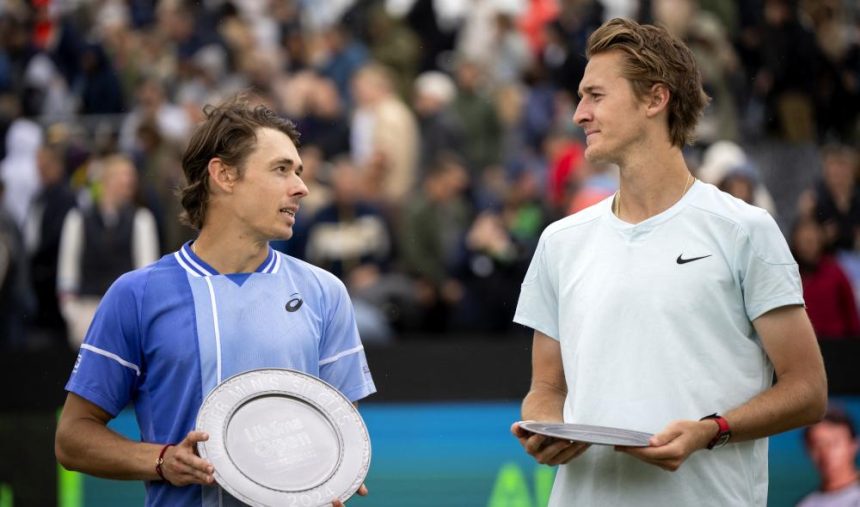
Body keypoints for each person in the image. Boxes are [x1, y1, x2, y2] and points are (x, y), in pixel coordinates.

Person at [510, 18, 827, 506]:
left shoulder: (745, 230)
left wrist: (712, 430)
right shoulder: (560, 241)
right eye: (580, 97)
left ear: (655, 100)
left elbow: (807, 390)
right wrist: (548, 428)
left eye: (595, 95)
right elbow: (546, 386)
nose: (578, 114)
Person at [55, 99, 376, 506]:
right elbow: (72, 438)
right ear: (224, 174)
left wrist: (334, 472)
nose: (301, 187)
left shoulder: (325, 292)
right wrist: (161, 460)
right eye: (281, 169)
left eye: (299, 171)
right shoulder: (136, 295)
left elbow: (338, 431)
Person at [797, 407, 860, 507]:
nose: (826, 453)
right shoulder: (806, 504)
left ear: (854, 444)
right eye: (817, 445)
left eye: (834, 443)